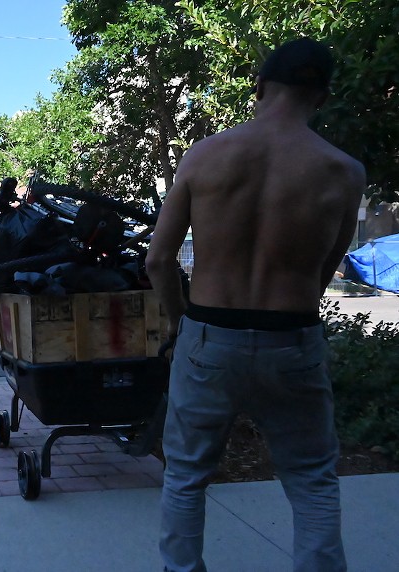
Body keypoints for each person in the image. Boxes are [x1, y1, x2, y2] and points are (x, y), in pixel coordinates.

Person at [145, 37, 365, 572]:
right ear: (322, 96)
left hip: (209, 333)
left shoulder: (206, 155)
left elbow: (158, 259)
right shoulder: (343, 171)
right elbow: (323, 268)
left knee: (186, 476)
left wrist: (183, 324)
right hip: (292, 335)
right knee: (312, 480)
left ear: (260, 87)